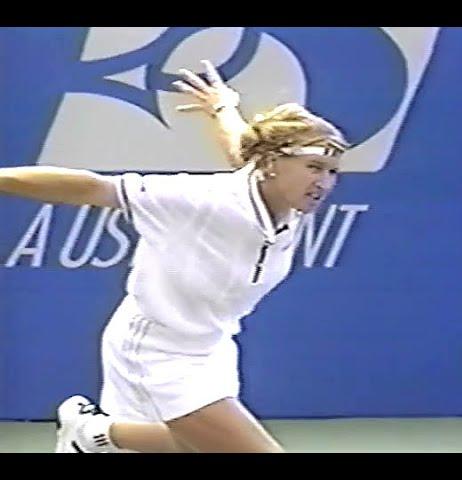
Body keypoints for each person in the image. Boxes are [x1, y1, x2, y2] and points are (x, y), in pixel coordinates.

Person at [0, 60, 348, 453]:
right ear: (271, 165)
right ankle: (91, 435)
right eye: (314, 168)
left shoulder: (289, 202)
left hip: (211, 347)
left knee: (192, 447)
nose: (324, 183)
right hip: (154, 351)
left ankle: (93, 435)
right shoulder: (200, 201)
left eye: (333, 171)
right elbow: (93, 188)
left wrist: (222, 107)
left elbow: (240, 148)